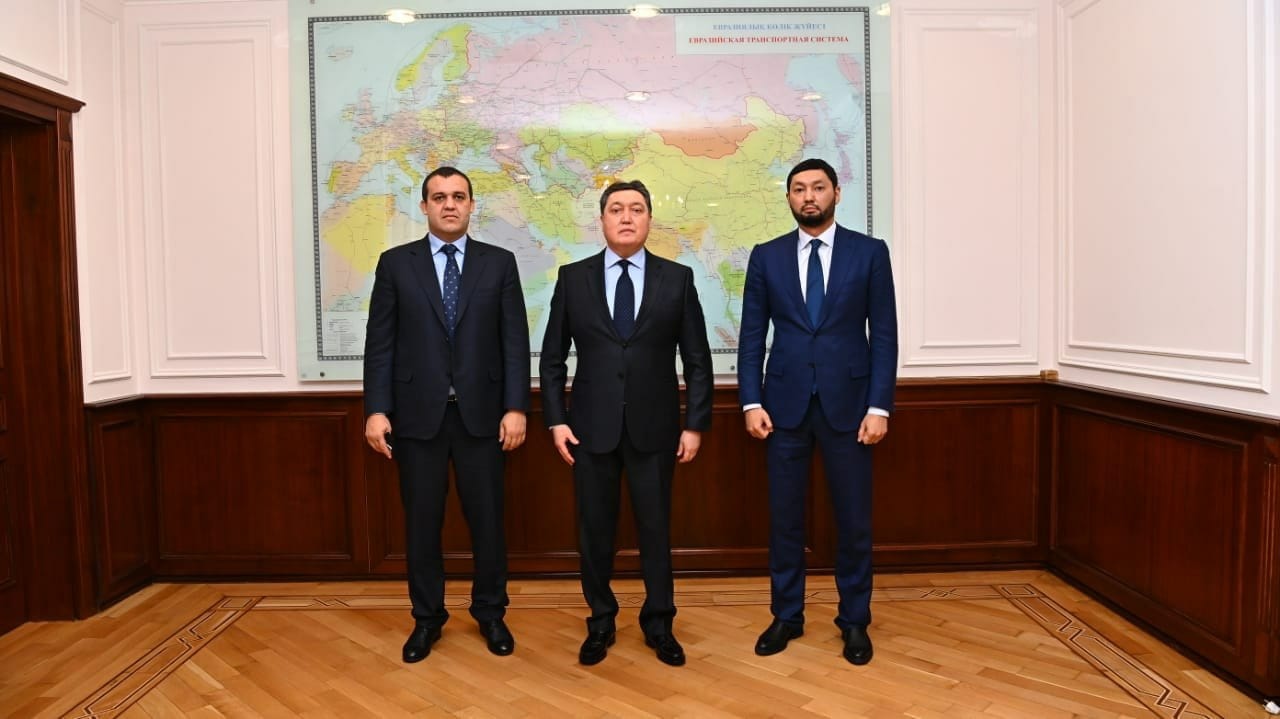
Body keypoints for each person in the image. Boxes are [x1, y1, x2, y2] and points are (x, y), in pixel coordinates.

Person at [540, 180, 713, 667]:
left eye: (637, 209)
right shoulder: (572, 279)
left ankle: (659, 623)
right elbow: (552, 359)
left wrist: (695, 424)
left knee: (655, 531)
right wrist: (556, 421)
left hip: (656, 430)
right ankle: (600, 620)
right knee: (595, 533)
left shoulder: (676, 279)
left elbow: (697, 360)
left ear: (649, 219)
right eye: (616, 209)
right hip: (589, 430)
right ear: (602, 220)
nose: (626, 216)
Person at [363, 166, 530, 663]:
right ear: (425, 207)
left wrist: (516, 407)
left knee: (488, 523)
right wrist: (376, 409)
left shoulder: (499, 263)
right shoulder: (396, 264)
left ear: (472, 205)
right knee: (422, 525)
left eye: (458, 196)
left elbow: (514, 342)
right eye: (439, 197)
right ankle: (427, 619)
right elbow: (380, 343)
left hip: (483, 419)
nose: (450, 204)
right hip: (417, 419)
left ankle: (491, 613)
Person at [736, 158, 898, 666]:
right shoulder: (766, 257)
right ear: (789, 198)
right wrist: (751, 400)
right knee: (785, 520)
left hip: (851, 408)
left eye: (818, 187)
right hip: (782, 408)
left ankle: (854, 621)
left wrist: (879, 406)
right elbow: (751, 336)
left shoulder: (869, 253)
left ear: (836, 194)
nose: (809, 196)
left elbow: (884, 335)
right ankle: (787, 615)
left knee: (853, 521)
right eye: (799, 189)